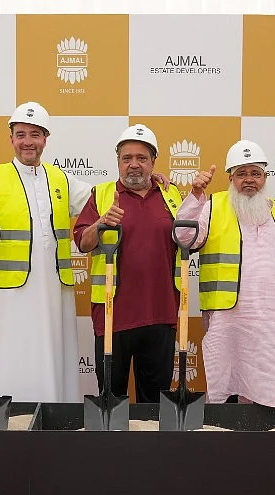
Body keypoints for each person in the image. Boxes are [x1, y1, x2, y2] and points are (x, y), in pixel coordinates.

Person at [0, 102, 90, 402]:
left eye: (35, 134)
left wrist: (147, 181)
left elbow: (100, 199)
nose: (27, 141)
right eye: (20, 134)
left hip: (55, 291)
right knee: (11, 357)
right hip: (11, 293)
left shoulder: (61, 179)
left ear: (46, 138)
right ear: (11, 139)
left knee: (53, 355)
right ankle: (10, 413)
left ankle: (54, 412)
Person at [175, 140, 275, 412]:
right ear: (230, 178)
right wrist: (195, 196)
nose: (249, 180)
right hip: (228, 317)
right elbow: (184, 237)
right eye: (242, 173)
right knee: (226, 383)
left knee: (267, 387)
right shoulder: (213, 205)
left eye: (255, 173)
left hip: (271, 322)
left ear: (265, 177)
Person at [73, 124, 183, 403]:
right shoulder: (101, 194)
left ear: (153, 162)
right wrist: (101, 223)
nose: (134, 164)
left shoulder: (171, 194)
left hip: (161, 313)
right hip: (113, 313)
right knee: (111, 399)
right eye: (127, 158)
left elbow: (188, 240)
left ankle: (152, 435)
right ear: (118, 162)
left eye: (142, 158)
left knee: (154, 403)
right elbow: (82, 243)